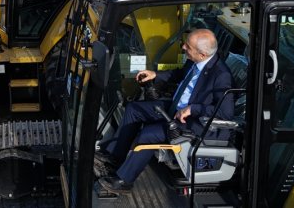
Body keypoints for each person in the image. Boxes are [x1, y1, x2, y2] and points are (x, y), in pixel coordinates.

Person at [96, 28, 234, 193]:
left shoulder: (221, 75)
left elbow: (226, 113)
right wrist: (155, 74)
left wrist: (194, 109)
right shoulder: (195, 60)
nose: (183, 48)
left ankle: (125, 180)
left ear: (202, 54)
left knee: (148, 134)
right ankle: (115, 156)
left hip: (193, 122)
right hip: (174, 108)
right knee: (134, 109)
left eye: (187, 47)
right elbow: (179, 74)